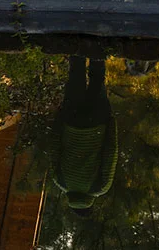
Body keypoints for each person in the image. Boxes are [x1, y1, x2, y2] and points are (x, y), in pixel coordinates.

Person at [47, 55, 118, 216]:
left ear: (89, 205)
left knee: (97, 79)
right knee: (75, 76)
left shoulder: (100, 187)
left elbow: (110, 152)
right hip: (71, 120)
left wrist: (112, 124)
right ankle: (76, 44)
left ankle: (99, 46)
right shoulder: (59, 181)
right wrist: (59, 118)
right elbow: (53, 146)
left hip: (97, 122)